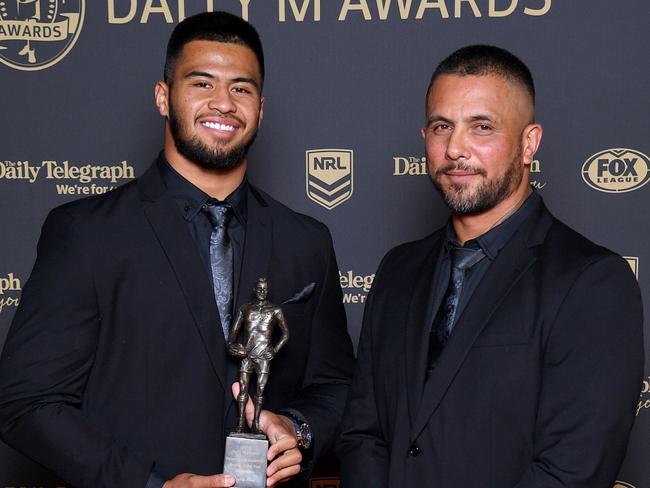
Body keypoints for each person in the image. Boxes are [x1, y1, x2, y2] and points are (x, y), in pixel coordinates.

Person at [0, 11, 354, 488]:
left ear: (261, 107)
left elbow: (336, 387)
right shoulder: (85, 233)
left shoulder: (306, 240)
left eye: (241, 88)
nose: (223, 103)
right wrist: (152, 484)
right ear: (164, 97)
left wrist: (299, 429)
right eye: (202, 83)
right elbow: (26, 402)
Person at [336, 45, 644, 487]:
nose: (455, 148)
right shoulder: (398, 270)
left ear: (528, 143)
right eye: (442, 126)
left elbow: (572, 470)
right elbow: (362, 432)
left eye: (482, 127)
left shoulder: (592, 282)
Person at [228, 278, 290, 434]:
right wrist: (232, 348)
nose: (262, 292)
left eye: (265, 289)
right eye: (260, 289)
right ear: (255, 289)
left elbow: (285, 334)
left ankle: (256, 423)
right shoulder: (245, 308)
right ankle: (241, 423)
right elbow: (232, 336)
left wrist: (274, 350)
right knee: (243, 389)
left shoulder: (275, 310)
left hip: (263, 356)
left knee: (260, 391)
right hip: (246, 355)